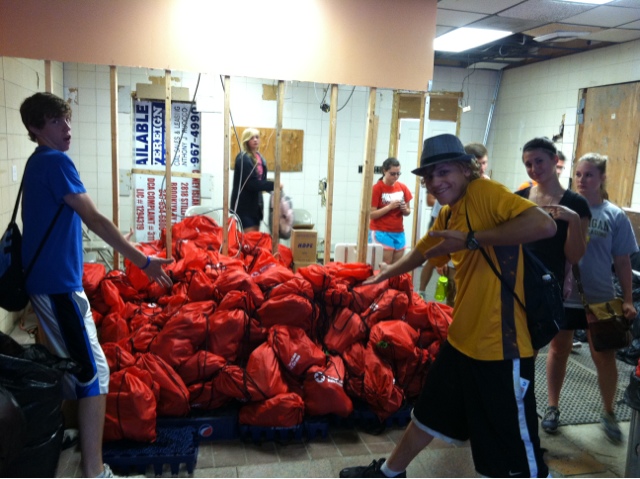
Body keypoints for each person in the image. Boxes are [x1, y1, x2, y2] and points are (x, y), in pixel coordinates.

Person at [340, 133, 557, 478]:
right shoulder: (448, 213)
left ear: (465, 169)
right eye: (429, 176)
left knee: (517, 448)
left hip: (500, 346)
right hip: (462, 340)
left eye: (444, 172)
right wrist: (381, 277)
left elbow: (544, 225)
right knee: (429, 412)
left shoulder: (484, 193)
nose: (435, 182)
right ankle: (390, 472)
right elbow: (423, 252)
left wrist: (473, 239)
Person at [19, 92, 174, 478]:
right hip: (58, 287)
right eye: (55, 121)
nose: (67, 127)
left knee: (74, 367)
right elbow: (95, 218)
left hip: (50, 283)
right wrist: (143, 261)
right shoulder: (55, 161)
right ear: (35, 127)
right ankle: (94, 472)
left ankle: (64, 435)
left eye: (66, 119)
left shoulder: (38, 162)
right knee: (93, 374)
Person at [548, 153, 638, 443]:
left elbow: (622, 261)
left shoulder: (614, 215)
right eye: (578, 174)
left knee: (604, 356)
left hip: (599, 297)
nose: (581, 180)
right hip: (565, 295)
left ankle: (609, 412)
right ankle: (552, 407)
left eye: (588, 175)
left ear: (602, 178)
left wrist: (627, 299)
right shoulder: (562, 210)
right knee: (558, 349)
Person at [515, 138, 591, 437]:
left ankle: (552, 406)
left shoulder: (576, 204)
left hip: (550, 287)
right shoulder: (520, 198)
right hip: (518, 283)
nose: (534, 168)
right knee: (523, 351)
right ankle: (519, 407)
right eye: (528, 164)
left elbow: (574, 255)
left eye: (539, 161)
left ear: (554, 161)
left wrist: (572, 221)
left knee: (557, 348)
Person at [418, 142, 488, 302]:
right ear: (466, 166)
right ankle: (421, 291)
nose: (481, 168)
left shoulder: (489, 189)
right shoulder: (449, 190)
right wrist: (443, 257)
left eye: (484, 163)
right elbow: (439, 226)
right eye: (477, 163)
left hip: (477, 257)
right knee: (453, 299)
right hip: (451, 247)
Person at [230, 128, 280, 233]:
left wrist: (273, 188)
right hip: (245, 206)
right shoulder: (243, 158)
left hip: (256, 206)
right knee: (251, 238)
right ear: (246, 140)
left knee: (254, 236)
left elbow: (261, 181)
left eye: (257, 137)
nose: (255, 140)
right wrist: (274, 185)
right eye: (251, 138)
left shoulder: (260, 158)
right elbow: (251, 184)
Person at [369, 157, 413, 264]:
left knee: (397, 266)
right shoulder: (376, 188)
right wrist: (389, 207)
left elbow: (408, 211)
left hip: (398, 231)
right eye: (392, 174)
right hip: (381, 231)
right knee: (385, 264)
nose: (396, 176)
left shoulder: (403, 187)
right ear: (384, 171)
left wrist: (404, 209)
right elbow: (371, 214)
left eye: (398, 173)